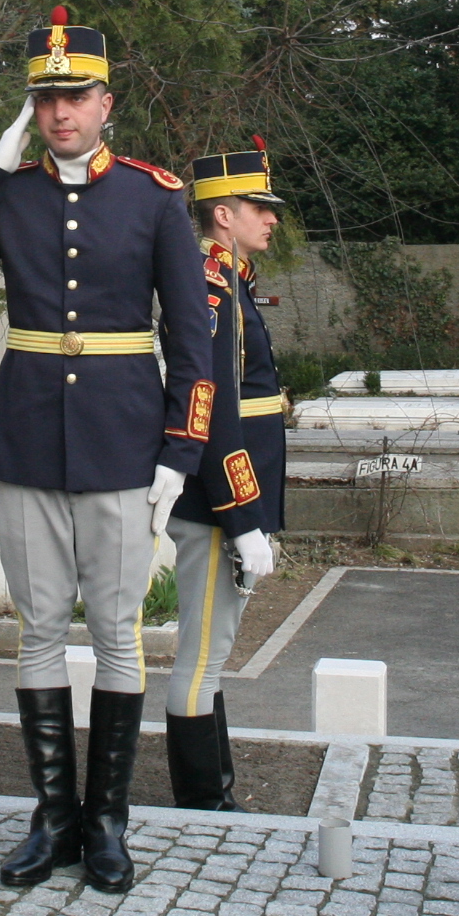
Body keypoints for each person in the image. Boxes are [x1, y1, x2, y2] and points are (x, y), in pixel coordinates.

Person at [0, 10, 212, 893]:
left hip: (125, 440)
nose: (60, 113)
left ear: (105, 102)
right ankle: (53, 819)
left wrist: (180, 451)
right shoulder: (9, 189)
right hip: (27, 440)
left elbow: (193, 342)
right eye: (45, 99)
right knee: (41, 628)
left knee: (117, 635)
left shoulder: (156, 198)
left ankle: (108, 822)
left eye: (75, 96)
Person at [164, 143, 292, 810]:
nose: (270, 220)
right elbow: (211, 416)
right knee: (202, 658)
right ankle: (202, 803)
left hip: (231, 502)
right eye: (257, 207)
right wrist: (242, 518)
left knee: (211, 655)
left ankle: (216, 794)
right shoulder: (212, 288)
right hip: (216, 505)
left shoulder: (232, 281)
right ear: (222, 214)